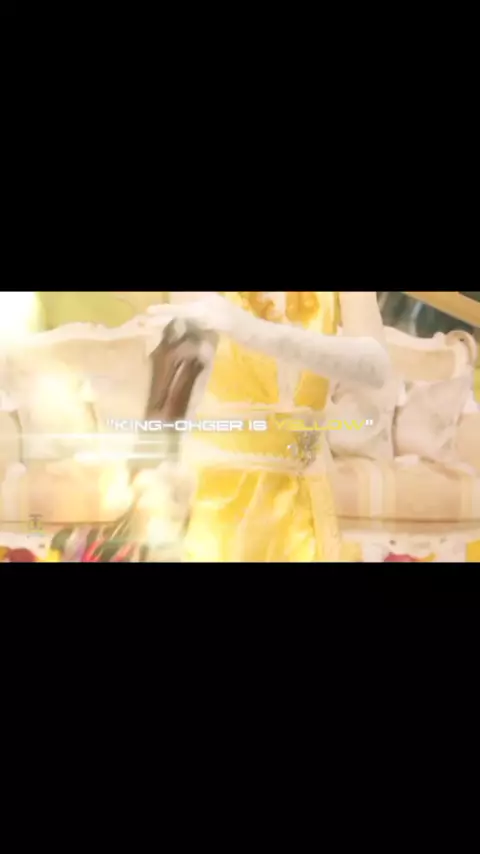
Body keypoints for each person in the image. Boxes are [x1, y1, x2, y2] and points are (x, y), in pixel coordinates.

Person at [147, 291, 389, 562]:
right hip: (216, 499)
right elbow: (176, 388)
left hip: (304, 496)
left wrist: (248, 329)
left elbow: (376, 366)